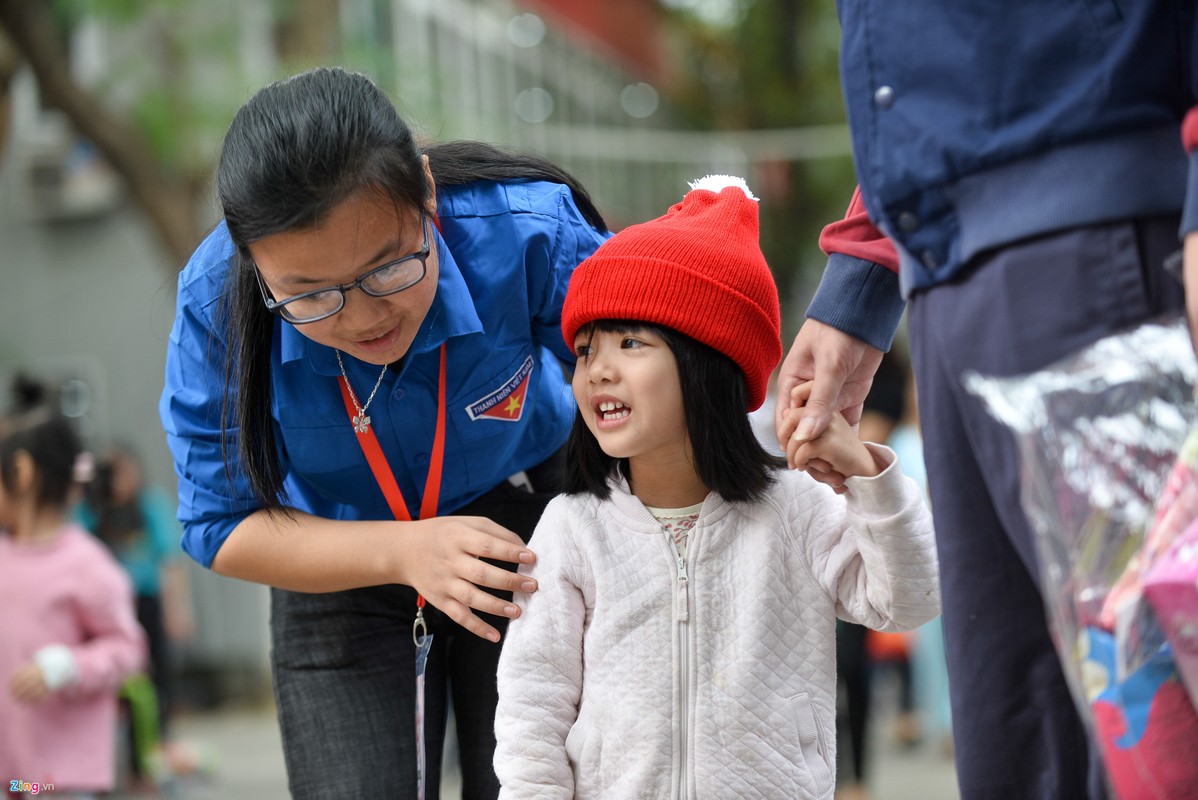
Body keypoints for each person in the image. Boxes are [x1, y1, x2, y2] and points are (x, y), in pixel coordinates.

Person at [776, 7, 1195, 799]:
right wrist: (865, 274)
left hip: (1100, 221)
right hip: (941, 270)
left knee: (1155, 737)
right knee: (1015, 735)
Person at [158, 66, 610, 798]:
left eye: (388, 267)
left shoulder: (525, 231)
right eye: (309, 296)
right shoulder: (214, 305)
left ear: (425, 193)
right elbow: (219, 522)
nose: (365, 317)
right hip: (335, 555)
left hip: (528, 528)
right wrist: (404, 550)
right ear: (255, 266)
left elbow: (641, 376)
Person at [492, 176, 939, 797]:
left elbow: (908, 600)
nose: (599, 370)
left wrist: (867, 477)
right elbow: (533, 707)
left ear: (708, 365)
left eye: (630, 342)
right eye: (586, 349)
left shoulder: (797, 510)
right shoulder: (572, 527)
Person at [0, 403, 147, 799]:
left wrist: (69, 666)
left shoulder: (86, 565)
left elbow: (129, 649)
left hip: (57, 779)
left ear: (22, 472)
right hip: (11, 772)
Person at [75, 442, 195, 782]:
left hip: (146, 603)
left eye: (123, 470)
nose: (118, 480)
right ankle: (107, 765)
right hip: (104, 610)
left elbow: (170, 561)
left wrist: (178, 610)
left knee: (156, 683)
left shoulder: (150, 505)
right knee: (115, 688)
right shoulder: (90, 510)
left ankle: (148, 763)